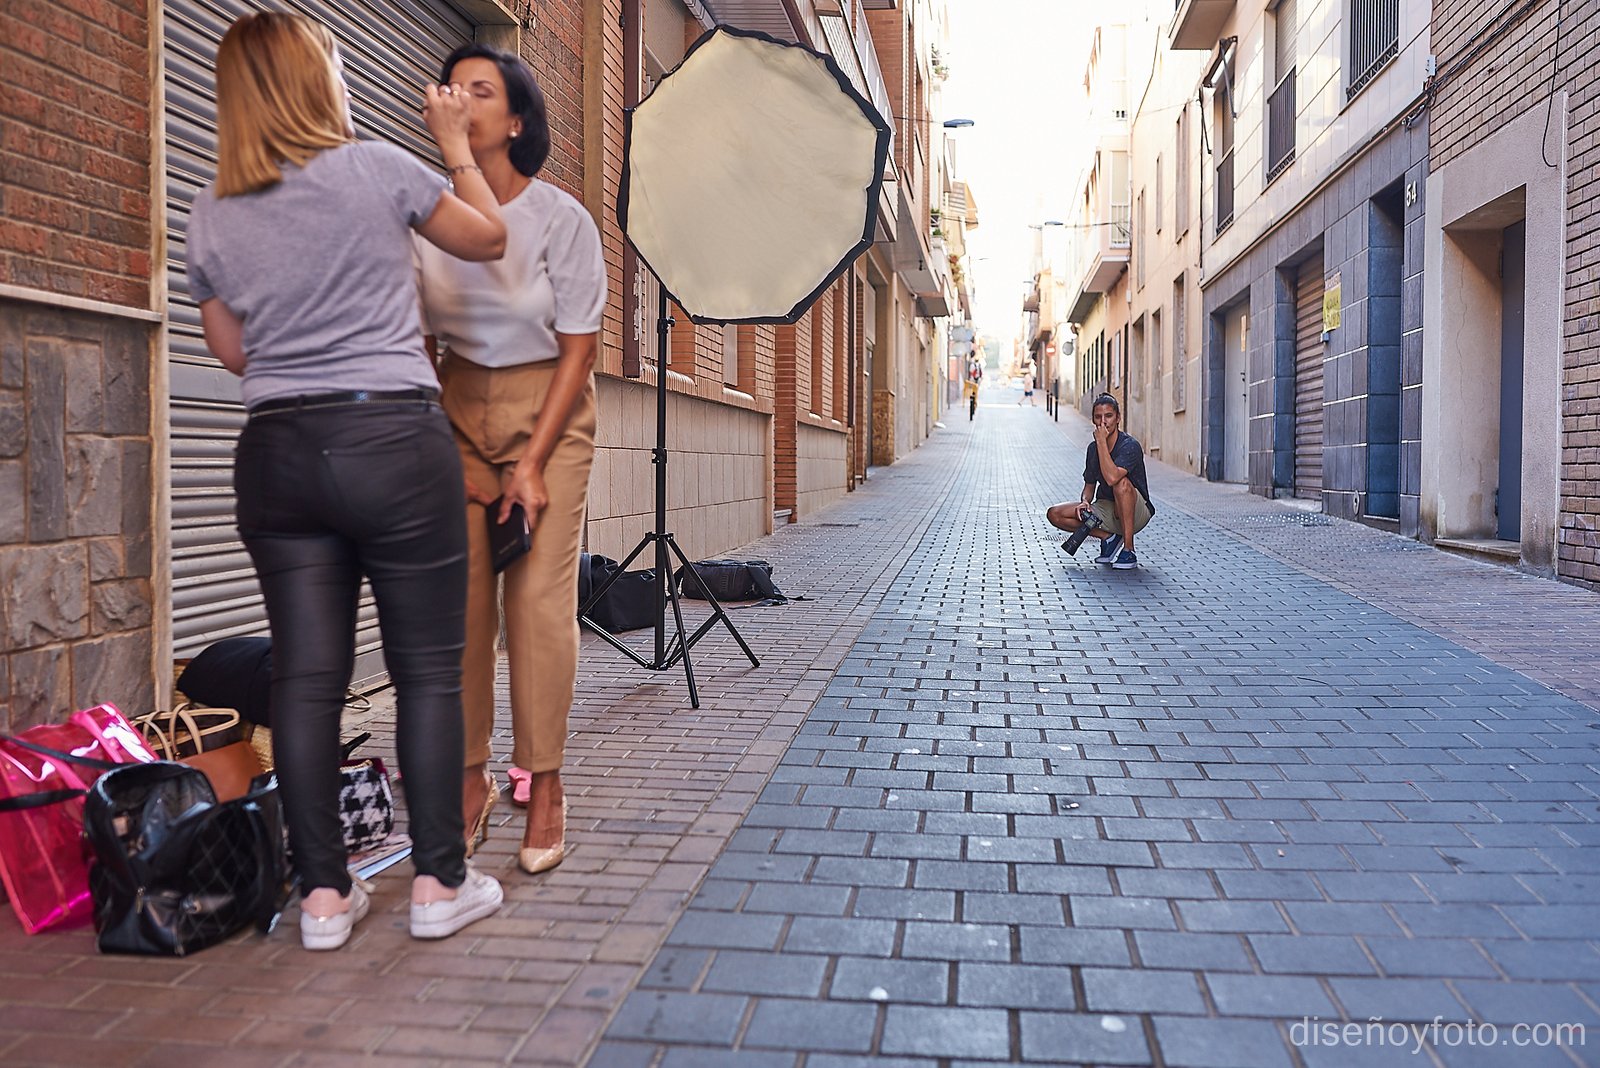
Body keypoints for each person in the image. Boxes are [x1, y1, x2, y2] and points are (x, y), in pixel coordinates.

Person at [189, 11, 507, 950]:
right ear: (316, 82)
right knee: (424, 672)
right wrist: (454, 145)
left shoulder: (212, 208)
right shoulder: (379, 168)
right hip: (392, 439)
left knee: (307, 676)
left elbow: (231, 350)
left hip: (279, 451)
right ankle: (439, 883)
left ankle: (324, 897)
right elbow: (487, 239)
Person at [414, 45, 605, 876]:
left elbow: (580, 345)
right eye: (455, 87)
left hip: (549, 410)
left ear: (516, 119)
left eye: (482, 90)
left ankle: (547, 782)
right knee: (457, 611)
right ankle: (469, 782)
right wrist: (436, 434)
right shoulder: (429, 212)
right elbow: (410, 339)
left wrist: (530, 461)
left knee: (534, 606)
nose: (463, 99)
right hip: (454, 409)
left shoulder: (560, 217)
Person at [1047, 393, 1155, 570]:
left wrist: (1102, 443)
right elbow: (1089, 485)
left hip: (1135, 511)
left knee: (1121, 484)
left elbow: (1113, 478)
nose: (1103, 422)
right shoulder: (1093, 449)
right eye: (1098, 417)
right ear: (1093, 420)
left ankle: (1129, 550)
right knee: (1055, 513)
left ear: (1118, 418)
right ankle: (1108, 538)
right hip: (1107, 507)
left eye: (1109, 416)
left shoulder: (1130, 446)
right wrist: (1085, 502)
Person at [962, 356, 983, 420]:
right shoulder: (979, 365)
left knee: (972, 395)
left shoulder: (972, 365)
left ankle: (973, 405)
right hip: (977, 381)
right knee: (975, 394)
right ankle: (974, 404)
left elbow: (970, 372)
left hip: (972, 381)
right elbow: (981, 374)